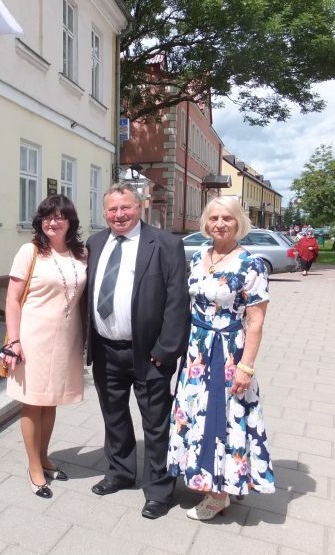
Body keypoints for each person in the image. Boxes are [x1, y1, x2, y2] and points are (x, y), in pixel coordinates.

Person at [85, 183, 189, 519]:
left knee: (156, 424)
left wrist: (166, 349)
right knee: (113, 416)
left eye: (125, 207)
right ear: (104, 212)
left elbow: (177, 300)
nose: (119, 215)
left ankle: (158, 490)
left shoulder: (166, 244)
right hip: (105, 350)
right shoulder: (95, 243)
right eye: (112, 209)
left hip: (150, 353)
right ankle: (120, 471)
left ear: (140, 206)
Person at [167, 196, 275, 520]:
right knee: (197, 415)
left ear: (238, 221)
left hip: (227, 352)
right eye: (213, 218)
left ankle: (218, 495)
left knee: (224, 416)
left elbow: (255, 322)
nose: (219, 224)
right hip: (197, 351)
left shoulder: (251, 265)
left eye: (227, 218)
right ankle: (215, 479)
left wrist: (246, 366)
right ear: (206, 222)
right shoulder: (199, 256)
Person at [1, 195, 87, 499]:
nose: (53, 222)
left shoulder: (81, 254)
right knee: (32, 401)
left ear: (70, 221)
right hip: (33, 338)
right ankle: (34, 466)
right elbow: (12, 299)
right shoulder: (30, 251)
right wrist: (14, 341)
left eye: (59, 216)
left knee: (51, 401)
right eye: (47, 217)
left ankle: (45, 456)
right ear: (40, 221)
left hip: (66, 338)